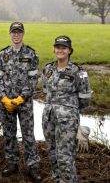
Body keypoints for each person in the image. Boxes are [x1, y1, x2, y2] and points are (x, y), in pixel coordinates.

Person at [0, 22, 42, 182]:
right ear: (9, 34)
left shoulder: (31, 54)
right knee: (9, 135)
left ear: (23, 34)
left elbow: (33, 79)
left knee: (28, 135)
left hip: (24, 103)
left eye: (19, 32)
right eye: (13, 32)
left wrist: (22, 98)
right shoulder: (2, 55)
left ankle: (32, 167)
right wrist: (4, 98)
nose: (16, 35)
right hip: (6, 103)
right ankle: (12, 163)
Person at [42, 35, 92, 183]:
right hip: (49, 118)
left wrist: (71, 113)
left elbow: (85, 98)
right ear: (54, 49)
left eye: (64, 48)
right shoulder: (48, 69)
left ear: (70, 50)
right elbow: (46, 91)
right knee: (53, 155)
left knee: (65, 158)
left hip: (67, 122)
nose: (60, 50)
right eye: (58, 47)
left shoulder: (78, 72)